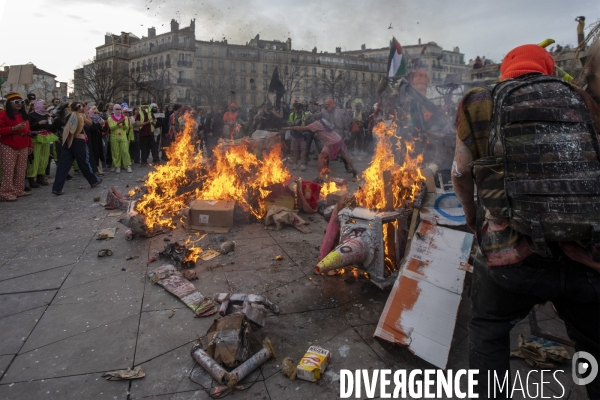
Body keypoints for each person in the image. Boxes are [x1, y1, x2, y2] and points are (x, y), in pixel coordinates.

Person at [452, 44, 600, 398]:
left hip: (512, 254)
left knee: (488, 327)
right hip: (584, 253)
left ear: (505, 70)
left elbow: (460, 172)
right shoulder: (583, 100)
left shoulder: (480, 100)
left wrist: (473, 219)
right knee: (592, 341)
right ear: (548, 69)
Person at [51, 102, 102, 195]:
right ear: (79, 107)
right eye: (83, 106)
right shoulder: (80, 115)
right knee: (84, 163)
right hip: (78, 142)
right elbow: (90, 123)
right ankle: (94, 181)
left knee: (63, 165)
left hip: (68, 141)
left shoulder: (69, 116)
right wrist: (86, 112)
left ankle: (57, 187)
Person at [289, 115, 357, 181]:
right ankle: (354, 169)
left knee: (321, 157)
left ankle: (319, 177)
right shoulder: (322, 120)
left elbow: (302, 128)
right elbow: (330, 127)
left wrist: (290, 128)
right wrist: (319, 133)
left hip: (331, 142)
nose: (307, 122)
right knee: (344, 155)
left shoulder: (314, 124)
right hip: (338, 138)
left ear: (310, 120)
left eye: (307, 120)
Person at [0, 92, 33, 201]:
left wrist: (30, 144)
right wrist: (13, 128)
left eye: (21, 102)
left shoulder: (24, 115)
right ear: (9, 103)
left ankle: (18, 189)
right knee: (9, 170)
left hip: (23, 144)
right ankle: (6, 192)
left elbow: (28, 131)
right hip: (8, 144)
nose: (19, 104)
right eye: (16, 102)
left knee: (21, 169)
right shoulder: (3, 114)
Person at [27, 100, 57, 187]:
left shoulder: (47, 115)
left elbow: (50, 128)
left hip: (45, 137)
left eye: (46, 104)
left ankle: (40, 177)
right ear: (38, 105)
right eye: (44, 104)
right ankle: (31, 178)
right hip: (36, 138)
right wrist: (38, 123)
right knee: (35, 159)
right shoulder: (31, 115)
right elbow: (28, 127)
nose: (46, 105)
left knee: (44, 158)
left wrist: (52, 122)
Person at [107, 104, 133, 173]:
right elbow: (111, 128)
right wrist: (118, 123)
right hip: (114, 137)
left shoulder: (125, 118)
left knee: (125, 151)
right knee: (116, 152)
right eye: (116, 109)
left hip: (123, 137)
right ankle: (117, 166)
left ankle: (128, 165)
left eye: (119, 109)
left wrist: (124, 123)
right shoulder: (110, 118)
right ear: (113, 110)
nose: (118, 111)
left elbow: (126, 128)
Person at [86, 106, 106, 175]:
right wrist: (98, 124)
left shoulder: (98, 119)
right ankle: (95, 169)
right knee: (94, 155)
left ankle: (99, 169)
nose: (96, 114)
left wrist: (103, 125)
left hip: (98, 139)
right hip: (92, 140)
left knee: (99, 154)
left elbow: (102, 130)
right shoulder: (89, 120)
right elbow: (90, 129)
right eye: (94, 113)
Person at [287, 102, 307, 170]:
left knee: (303, 150)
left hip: (303, 135)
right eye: (297, 109)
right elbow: (290, 124)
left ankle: (302, 164)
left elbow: (308, 123)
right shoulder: (292, 115)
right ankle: (295, 163)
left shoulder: (305, 115)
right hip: (295, 135)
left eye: (299, 109)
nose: (298, 110)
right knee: (295, 150)